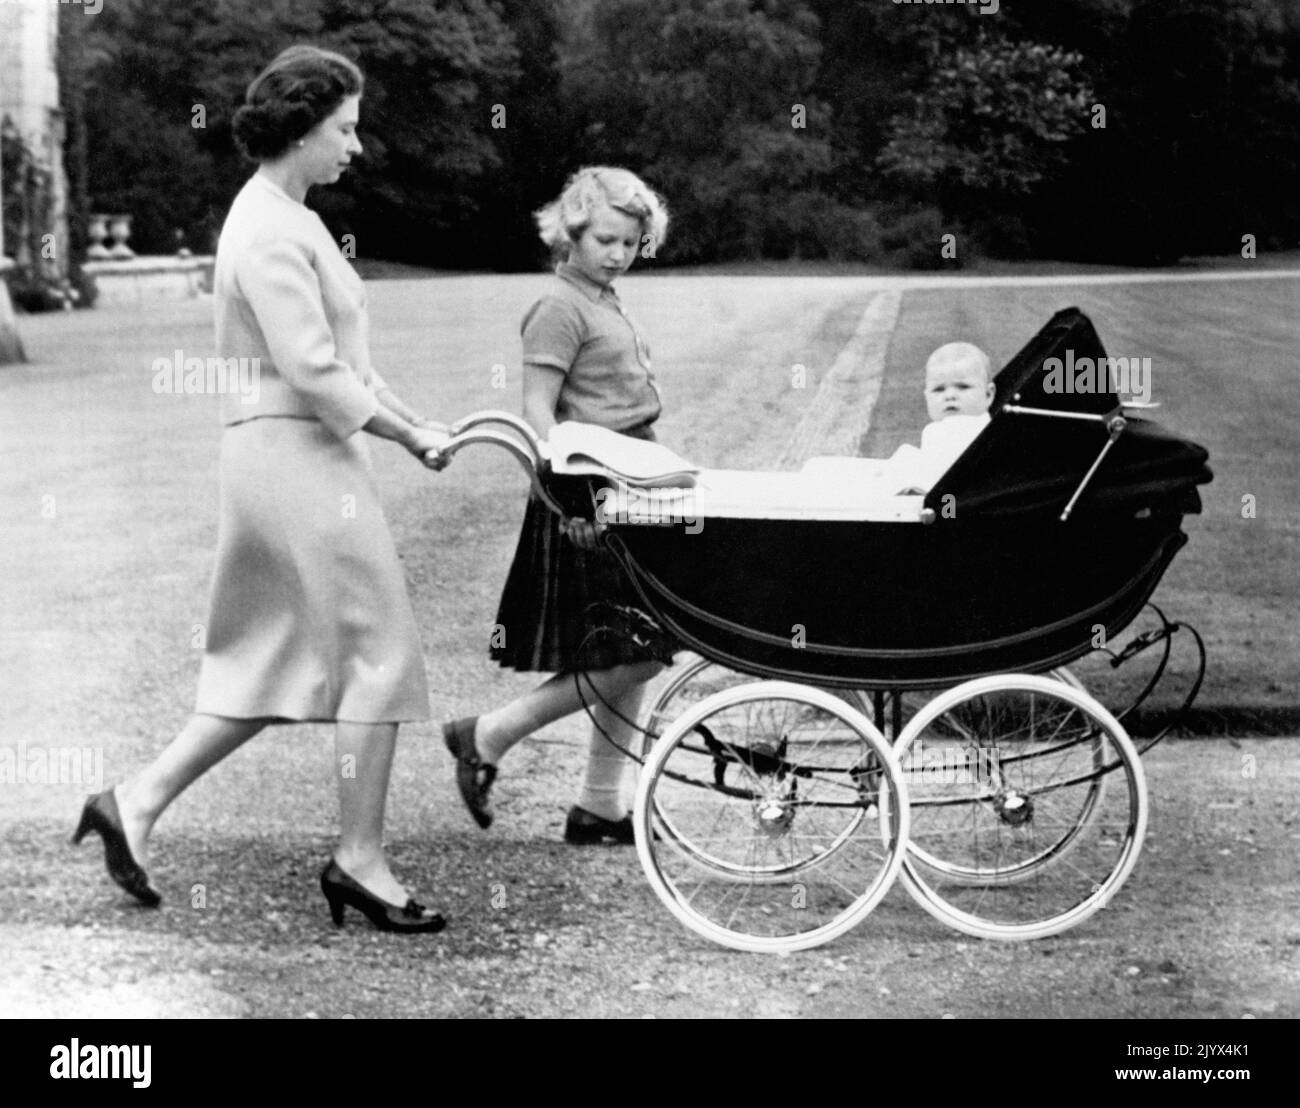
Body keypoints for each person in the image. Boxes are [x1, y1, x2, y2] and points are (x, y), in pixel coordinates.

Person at [72, 45, 452, 934]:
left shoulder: (291, 216)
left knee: (269, 655)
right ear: (300, 127)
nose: (356, 147)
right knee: (377, 655)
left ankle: (131, 803)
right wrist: (402, 434)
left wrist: (414, 423)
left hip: (292, 453)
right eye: (345, 129)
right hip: (293, 455)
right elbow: (315, 373)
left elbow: (350, 364)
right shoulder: (271, 227)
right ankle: (358, 861)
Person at [443, 167, 671, 845]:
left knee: (632, 643)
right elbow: (538, 411)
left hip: (627, 485)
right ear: (571, 231)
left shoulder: (606, 300)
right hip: (581, 494)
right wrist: (572, 491)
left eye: (631, 242)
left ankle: (600, 806)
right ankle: (487, 735)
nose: (618, 253)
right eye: (605, 238)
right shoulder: (559, 307)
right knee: (636, 651)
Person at [883, 341, 995, 493]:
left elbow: (941, 477)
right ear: (927, 397)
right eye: (938, 389)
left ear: (988, 394)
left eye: (963, 387)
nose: (950, 396)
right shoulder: (948, 428)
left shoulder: (968, 429)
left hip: (952, 502)